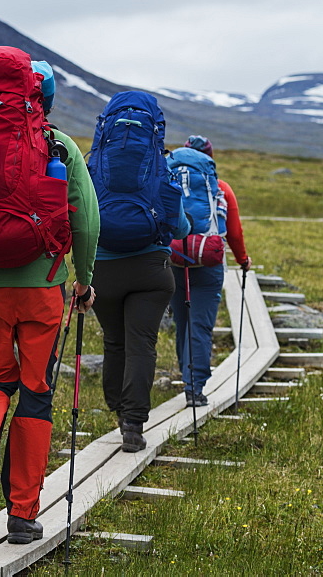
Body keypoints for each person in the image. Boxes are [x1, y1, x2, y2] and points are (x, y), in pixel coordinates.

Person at [0, 56, 100, 544]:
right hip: (43, 285)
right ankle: (22, 515)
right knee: (37, 395)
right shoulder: (59, 145)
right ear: (49, 98)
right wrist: (84, 278)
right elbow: (86, 220)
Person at [89, 91, 191, 453]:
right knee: (142, 344)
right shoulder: (161, 170)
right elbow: (179, 227)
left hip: (103, 269)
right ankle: (133, 423)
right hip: (151, 270)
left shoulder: (93, 167)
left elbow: (80, 217)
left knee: (115, 341)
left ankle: (119, 408)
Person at [170, 135, 251, 407]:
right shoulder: (221, 188)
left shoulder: (169, 181)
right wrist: (243, 260)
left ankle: (186, 375)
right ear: (210, 158)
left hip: (175, 259)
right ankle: (195, 387)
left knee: (183, 322)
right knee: (200, 325)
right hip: (209, 263)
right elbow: (235, 232)